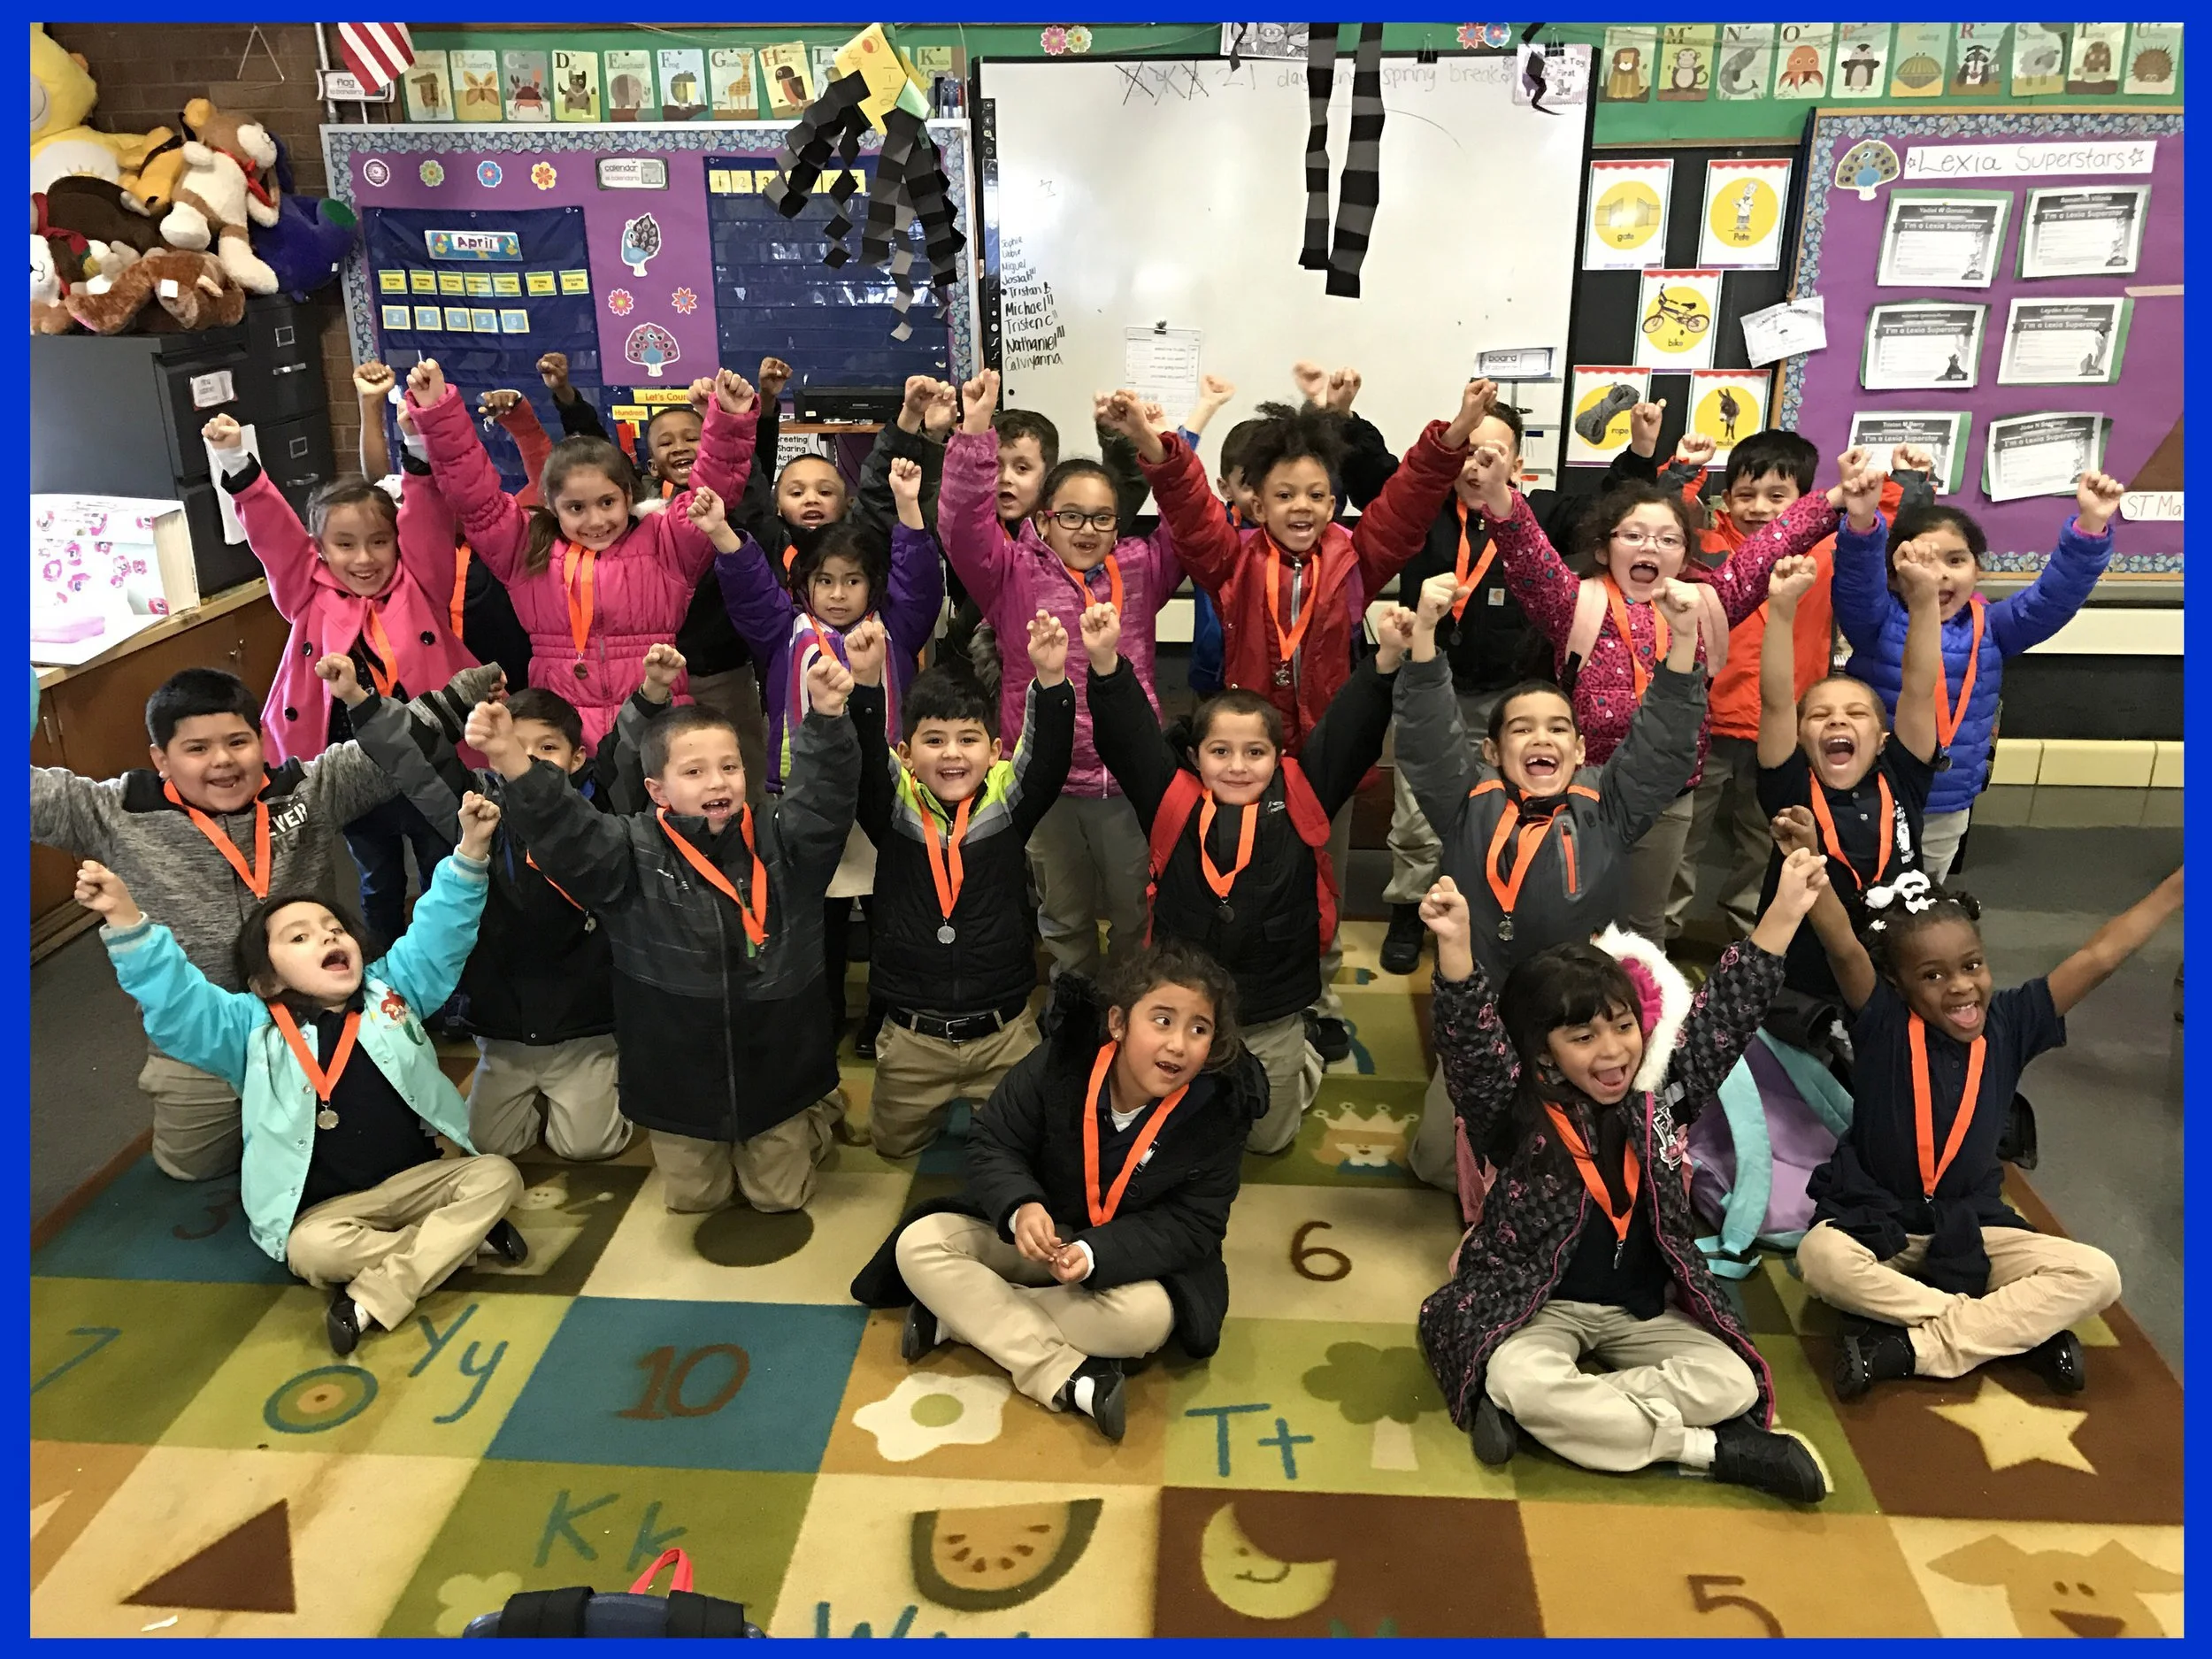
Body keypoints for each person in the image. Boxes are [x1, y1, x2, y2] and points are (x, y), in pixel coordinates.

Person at [1415, 855, 1834, 1502]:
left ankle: (1557, 1416)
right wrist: (1455, 949)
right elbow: (1471, 1045)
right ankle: (1708, 1450)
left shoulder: (1661, 1101)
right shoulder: (1516, 1112)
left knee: (1734, 1383)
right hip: (1538, 1307)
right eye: (1583, 1037)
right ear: (1541, 1052)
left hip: (1640, 1307)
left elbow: (1723, 1019)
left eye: (1622, 1026)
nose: (1613, 1051)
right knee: (1520, 1375)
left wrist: (1782, 913)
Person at [76, 793, 526, 1358]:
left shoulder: (393, 991)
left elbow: (440, 934)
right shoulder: (248, 1028)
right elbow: (179, 1003)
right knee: (310, 1252)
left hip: (420, 1181)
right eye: (300, 937)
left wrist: (471, 851)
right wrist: (126, 921)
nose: (328, 938)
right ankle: (458, 1243)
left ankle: (382, 1290)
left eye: (334, 928)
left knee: (497, 1176)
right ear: (266, 981)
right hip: (327, 1212)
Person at [1129, 372, 1492, 1058]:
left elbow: (1409, 500)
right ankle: (1231, 992)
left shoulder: (1355, 558)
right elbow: (1188, 508)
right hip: (1247, 757)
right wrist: (1155, 445)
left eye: (1317, 495)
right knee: (1245, 878)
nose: (1302, 507)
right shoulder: (1232, 559)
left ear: (1335, 501)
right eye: (1285, 494)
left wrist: (1457, 431)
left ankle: (1317, 997)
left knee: (1322, 884)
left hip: (1326, 759)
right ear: (1257, 501)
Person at [32, 662, 496, 1181]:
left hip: (319, 1015)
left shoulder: (307, 791)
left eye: (238, 741)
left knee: (368, 1134)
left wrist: (468, 690)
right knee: (193, 1169)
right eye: (196, 748)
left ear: (261, 739)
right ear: (161, 759)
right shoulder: (116, 811)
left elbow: (391, 746)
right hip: (204, 1029)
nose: (222, 761)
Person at [1781, 828, 2177, 1398]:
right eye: (1933, 975)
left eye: (1972, 966)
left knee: (2097, 1275)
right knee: (1820, 1260)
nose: (1961, 987)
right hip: (1878, 1222)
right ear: (1897, 982)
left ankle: (1915, 1348)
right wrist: (1807, 857)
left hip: (1974, 1227)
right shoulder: (1883, 1020)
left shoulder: (2012, 1023)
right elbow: (1843, 945)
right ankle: (2013, 1332)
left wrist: (2180, 887)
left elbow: (2100, 955)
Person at [467, 648, 860, 1213]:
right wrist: (510, 758)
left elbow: (825, 802)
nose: (717, 782)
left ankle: (815, 1114)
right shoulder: (630, 850)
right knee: (694, 1200)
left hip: (776, 1064)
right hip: (677, 1072)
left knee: (778, 1198)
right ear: (657, 790)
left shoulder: (781, 840)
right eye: (693, 772)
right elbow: (568, 830)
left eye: (729, 767)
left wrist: (826, 718)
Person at [851, 941, 1266, 1441]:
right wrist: (1022, 1206)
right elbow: (993, 1140)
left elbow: (1193, 1224)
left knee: (1147, 1321)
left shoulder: (1220, 1111)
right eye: (1162, 1021)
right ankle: (1062, 1371)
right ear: (1118, 1022)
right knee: (919, 1242)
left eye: (1199, 1029)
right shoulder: (1063, 1061)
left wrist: (1095, 1254)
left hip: (1133, 1264)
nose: (1179, 1044)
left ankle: (962, 1318)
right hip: (1045, 1238)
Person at [1393, 570, 1708, 1190]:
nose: (1542, 737)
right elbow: (1428, 739)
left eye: (1559, 727)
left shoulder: (1608, 806)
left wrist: (1684, 637)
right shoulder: (1465, 802)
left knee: (1578, 1168)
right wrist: (1425, 633)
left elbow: (1662, 746)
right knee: (1435, 1165)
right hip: (1484, 1017)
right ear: (1492, 752)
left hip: (1578, 1021)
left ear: (1581, 749)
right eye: (1522, 728)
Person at [1474, 434, 1847, 940]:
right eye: (1633, 535)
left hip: (1667, 796)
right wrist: (1501, 497)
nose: (1650, 546)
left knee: (1644, 922)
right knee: (1567, 910)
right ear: (1604, 548)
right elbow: (1529, 556)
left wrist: (1834, 499)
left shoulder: (1708, 603)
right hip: (1584, 789)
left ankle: (1640, 991)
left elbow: (1767, 549)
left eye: (1668, 540)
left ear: (1685, 558)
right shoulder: (1575, 603)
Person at [1087, 596, 1407, 1154]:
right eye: (1221, 751)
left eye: (1255, 752)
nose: (1237, 766)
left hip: (1271, 1009)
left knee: (1267, 1141)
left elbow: (1348, 731)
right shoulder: (1172, 797)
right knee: (1166, 1130)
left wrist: (1384, 664)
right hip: (1181, 1008)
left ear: (1278, 756)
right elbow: (1129, 737)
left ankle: (1304, 1049)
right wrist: (1106, 663)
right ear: (1195, 756)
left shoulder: (1304, 792)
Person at [332, 650, 652, 1165]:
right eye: (514, 746)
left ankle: (610, 1078)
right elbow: (417, 760)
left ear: (576, 758)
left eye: (546, 748)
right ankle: (539, 1095)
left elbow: (627, 755)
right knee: (488, 1146)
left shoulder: (595, 812)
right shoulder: (476, 808)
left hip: (585, 1026)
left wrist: (653, 691)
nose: (528, 759)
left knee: (588, 1145)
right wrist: (358, 698)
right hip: (503, 1027)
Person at [1379, 396, 1660, 975]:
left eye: (1492, 451)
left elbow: (1606, 506)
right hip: (1437, 690)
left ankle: (1505, 915)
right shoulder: (1424, 509)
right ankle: (1408, 908)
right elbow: (1372, 474)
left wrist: (1638, 453)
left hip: (1512, 706)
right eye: (1466, 450)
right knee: (1415, 814)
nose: (1477, 463)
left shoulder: (1543, 512)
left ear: (1517, 463)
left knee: (1503, 819)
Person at [939, 368, 1184, 985]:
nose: (1087, 530)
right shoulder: (1011, 572)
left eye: (1102, 518)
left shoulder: (1142, 568)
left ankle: (1127, 999)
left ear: (1118, 525)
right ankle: (1073, 1003)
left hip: (1128, 782)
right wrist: (974, 432)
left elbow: (1191, 522)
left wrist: (1158, 445)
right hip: (1044, 778)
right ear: (1044, 519)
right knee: (1064, 914)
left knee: (1135, 909)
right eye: (1071, 515)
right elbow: (962, 527)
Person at [203, 411, 480, 949]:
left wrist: (416, 445)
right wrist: (236, 460)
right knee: (377, 880)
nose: (364, 558)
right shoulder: (306, 592)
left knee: (444, 870)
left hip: (431, 760)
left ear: (397, 543)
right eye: (345, 545)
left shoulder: (420, 582)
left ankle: (449, 968)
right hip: (352, 770)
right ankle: (382, 968)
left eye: (379, 542)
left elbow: (427, 519)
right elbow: (275, 537)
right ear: (320, 550)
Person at [1665, 433, 1933, 950]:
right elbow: (1661, 520)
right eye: (1745, 495)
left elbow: (1876, 528)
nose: (1759, 508)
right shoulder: (1706, 550)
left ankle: (1752, 932)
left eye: (1777, 496)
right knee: (1682, 836)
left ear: (1805, 501)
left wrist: (1906, 482)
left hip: (1784, 732)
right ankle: (1665, 929)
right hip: (1706, 723)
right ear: (1726, 498)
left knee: (1766, 837)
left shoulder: (1824, 550)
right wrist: (1684, 469)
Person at [708, 461, 945, 1045]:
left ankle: (883, 1012)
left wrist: (908, 508)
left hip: (885, 795)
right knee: (819, 913)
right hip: (806, 795)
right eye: (825, 581)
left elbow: (921, 583)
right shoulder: (782, 633)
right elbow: (749, 586)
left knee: (890, 908)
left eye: (853, 581)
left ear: (873, 585)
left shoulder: (896, 629)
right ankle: (827, 1009)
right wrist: (719, 531)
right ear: (805, 585)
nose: (838, 594)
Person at [404, 357, 756, 751]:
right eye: (576, 508)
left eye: (608, 502)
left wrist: (730, 419)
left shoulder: (667, 542)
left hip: (655, 731)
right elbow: (475, 494)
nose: (596, 521)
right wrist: (438, 412)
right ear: (551, 506)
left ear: (628, 495)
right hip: (558, 737)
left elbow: (713, 490)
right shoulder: (526, 547)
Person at [847, 613, 1076, 1157]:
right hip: (913, 1037)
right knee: (891, 1148)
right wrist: (866, 683)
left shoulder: (1006, 804)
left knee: (1028, 1152)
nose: (952, 753)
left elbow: (1047, 761)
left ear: (994, 751)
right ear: (907, 755)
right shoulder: (895, 808)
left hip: (1004, 1033)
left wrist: (1051, 679)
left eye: (968, 739)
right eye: (934, 740)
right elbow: (865, 760)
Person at [1832, 469, 2124, 884]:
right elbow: (1856, 584)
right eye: (1922, 560)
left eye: (1956, 560)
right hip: (1872, 790)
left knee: (1925, 893)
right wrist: (1862, 523)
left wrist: (2090, 526)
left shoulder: (1992, 627)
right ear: (1894, 573)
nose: (1940, 575)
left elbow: (2052, 598)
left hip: (1946, 799)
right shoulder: (1876, 622)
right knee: (1860, 885)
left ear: (1977, 569)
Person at [1754, 497, 1943, 1012]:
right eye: (1820, 715)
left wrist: (1925, 599)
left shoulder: (1902, 774)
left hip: (1894, 967)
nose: (1838, 721)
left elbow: (1919, 688)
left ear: (1882, 738)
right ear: (1799, 736)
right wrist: (1782, 609)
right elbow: (1776, 701)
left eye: (1857, 714)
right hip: (1801, 975)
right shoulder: (1789, 785)